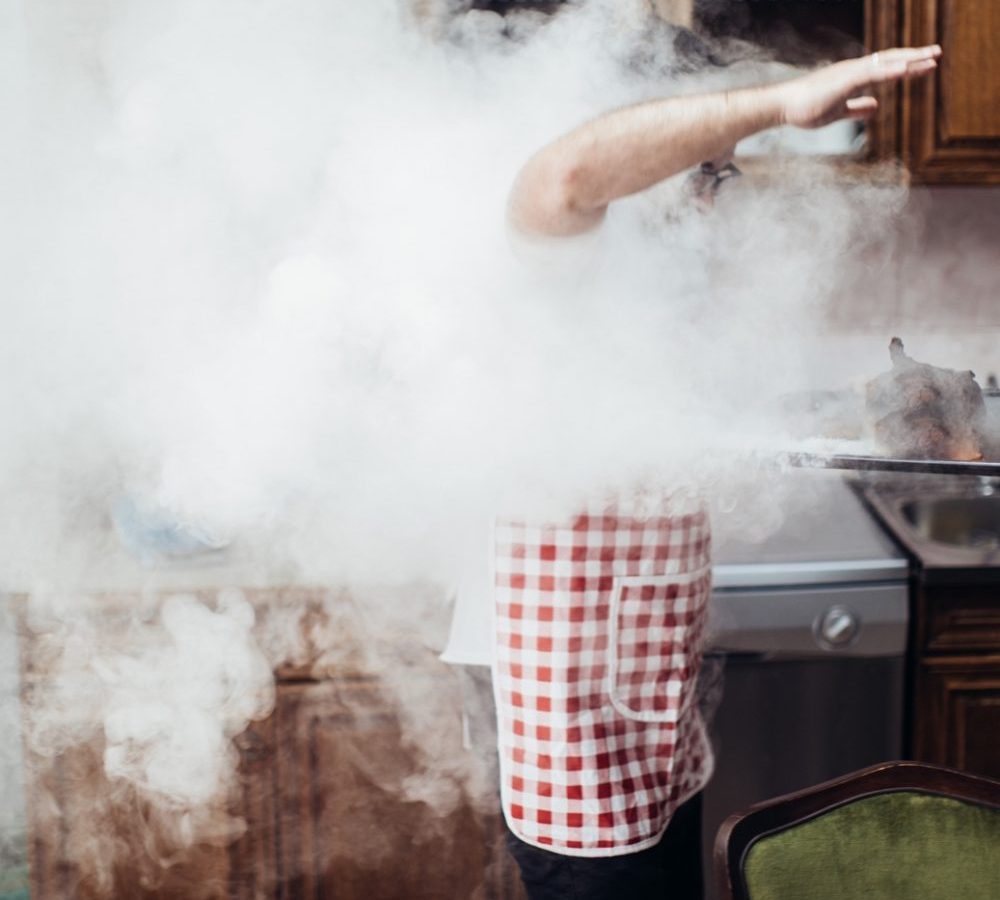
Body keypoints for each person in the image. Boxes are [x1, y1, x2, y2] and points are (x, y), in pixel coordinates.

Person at [444, 36, 942, 900]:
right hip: (580, 744)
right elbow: (564, 174)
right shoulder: (562, 255)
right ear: (643, 151)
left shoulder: (654, 289)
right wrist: (777, 101)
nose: (720, 198)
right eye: (706, 171)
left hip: (647, 713)